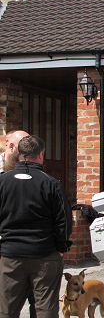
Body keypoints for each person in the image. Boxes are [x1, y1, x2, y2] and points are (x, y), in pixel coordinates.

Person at [0, 135, 72, 318]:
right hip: (44, 254)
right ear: (40, 155)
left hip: (10, 255)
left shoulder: (3, 181)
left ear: (19, 155)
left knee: (7, 309)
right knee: (45, 308)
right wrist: (61, 247)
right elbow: (64, 219)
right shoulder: (51, 184)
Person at [1, 130, 37, 318]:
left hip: (33, 251)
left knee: (37, 304)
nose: (5, 148)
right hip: (8, 251)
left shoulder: (39, 177)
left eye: (7, 144)